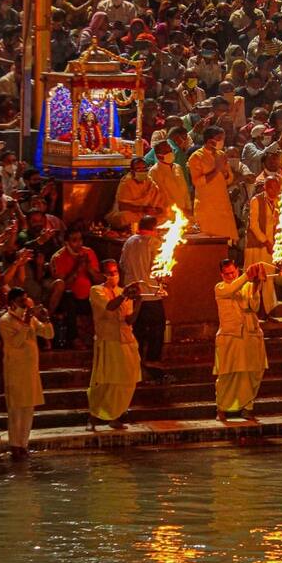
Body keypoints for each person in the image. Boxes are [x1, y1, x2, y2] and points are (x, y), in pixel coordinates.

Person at [0, 286, 54, 459]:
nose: (25, 303)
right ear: (13, 301)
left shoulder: (29, 319)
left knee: (28, 409)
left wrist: (46, 319)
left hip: (30, 371)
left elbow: (48, 334)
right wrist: (26, 321)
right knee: (16, 410)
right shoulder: (5, 320)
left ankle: (24, 445)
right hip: (15, 370)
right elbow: (15, 342)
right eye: (22, 300)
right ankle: (15, 445)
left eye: (26, 299)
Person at [87, 259, 141, 430]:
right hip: (108, 341)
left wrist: (139, 301)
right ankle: (93, 418)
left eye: (116, 272)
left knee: (128, 380)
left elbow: (130, 319)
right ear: (104, 274)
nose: (114, 275)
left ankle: (116, 416)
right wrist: (124, 295)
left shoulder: (122, 291)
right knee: (105, 381)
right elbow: (109, 307)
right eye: (110, 273)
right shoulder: (96, 291)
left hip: (127, 340)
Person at [214, 259, 268, 421]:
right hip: (230, 336)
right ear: (221, 274)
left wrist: (257, 284)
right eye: (227, 274)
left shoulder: (247, 285)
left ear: (237, 270)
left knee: (252, 372)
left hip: (250, 334)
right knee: (227, 373)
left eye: (233, 272)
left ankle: (247, 407)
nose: (231, 276)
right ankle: (222, 407)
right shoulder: (220, 287)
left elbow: (255, 306)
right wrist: (246, 276)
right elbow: (231, 289)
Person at [119, 216, 168, 375]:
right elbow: (159, 268)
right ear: (153, 228)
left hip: (133, 294)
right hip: (151, 294)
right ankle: (152, 361)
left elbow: (122, 265)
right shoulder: (154, 243)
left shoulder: (129, 241)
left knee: (138, 329)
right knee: (156, 329)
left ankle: (137, 362)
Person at [188, 127, 238, 243]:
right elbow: (197, 182)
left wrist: (225, 172)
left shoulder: (221, 154)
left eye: (223, 138)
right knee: (208, 242)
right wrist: (216, 170)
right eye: (219, 138)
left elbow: (229, 179)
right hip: (206, 206)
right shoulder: (196, 157)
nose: (222, 141)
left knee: (226, 241)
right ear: (209, 140)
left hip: (222, 203)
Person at [106, 156, 166, 229]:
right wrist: (142, 209)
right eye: (138, 169)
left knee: (165, 215)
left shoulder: (150, 182)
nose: (142, 171)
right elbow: (122, 206)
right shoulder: (126, 183)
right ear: (132, 171)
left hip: (147, 213)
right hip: (132, 212)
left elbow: (159, 204)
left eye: (144, 168)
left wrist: (155, 210)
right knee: (124, 217)